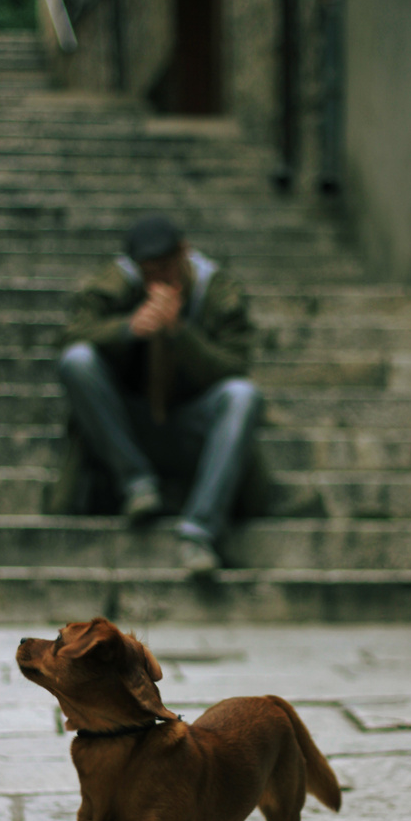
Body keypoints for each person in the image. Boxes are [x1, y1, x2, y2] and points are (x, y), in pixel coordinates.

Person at [53, 215, 268, 575]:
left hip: (193, 426)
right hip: (129, 423)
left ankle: (199, 530)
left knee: (243, 395)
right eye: (149, 273)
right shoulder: (116, 283)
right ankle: (135, 482)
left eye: (166, 269)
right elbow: (69, 335)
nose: (159, 281)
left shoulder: (217, 290)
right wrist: (127, 329)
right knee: (77, 360)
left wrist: (179, 334)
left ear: (184, 253)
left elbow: (235, 365)